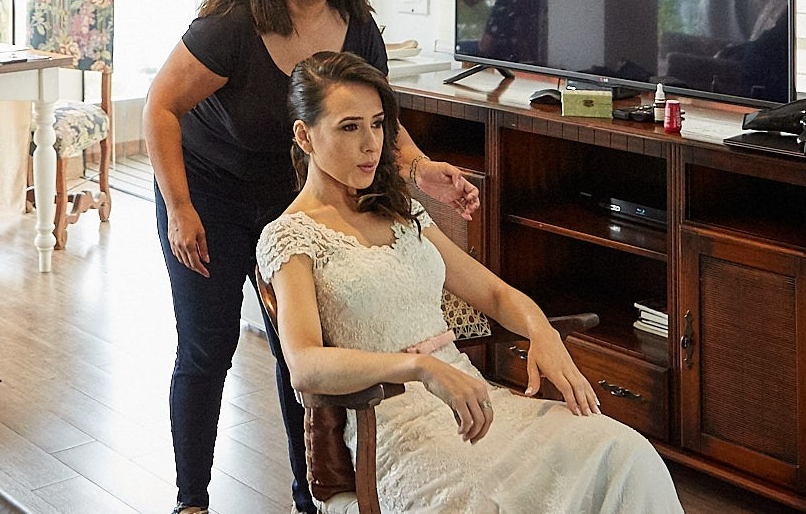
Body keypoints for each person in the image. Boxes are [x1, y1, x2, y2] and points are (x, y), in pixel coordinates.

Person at [144, 0, 481, 514]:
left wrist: (422, 169)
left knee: (300, 353)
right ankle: (191, 502)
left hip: (288, 204)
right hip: (207, 194)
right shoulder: (231, 29)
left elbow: (377, 121)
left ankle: (313, 498)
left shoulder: (358, 30)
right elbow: (161, 107)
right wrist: (181, 210)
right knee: (207, 347)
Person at [258, 52, 683, 514]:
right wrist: (420, 368)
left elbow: (495, 293)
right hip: (392, 433)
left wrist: (541, 331)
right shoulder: (291, 236)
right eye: (349, 127)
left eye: (378, 124)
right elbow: (304, 365)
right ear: (304, 136)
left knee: (624, 453)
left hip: (475, 405)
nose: (371, 144)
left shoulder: (402, 211)